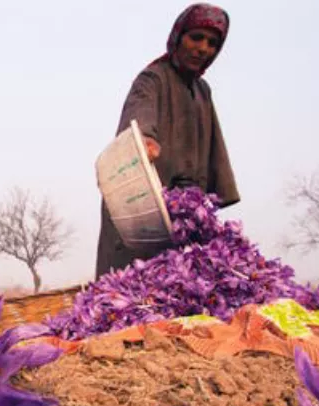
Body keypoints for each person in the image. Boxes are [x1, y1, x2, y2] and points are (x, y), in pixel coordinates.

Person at [96, 3, 241, 279]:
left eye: (212, 43)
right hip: (143, 208)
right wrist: (145, 141)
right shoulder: (152, 78)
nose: (202, 48)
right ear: (178, 37)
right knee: (131, 289)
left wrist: (203, 204)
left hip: (185, 212)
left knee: (184, 289)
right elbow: (139, 115)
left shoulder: (202, 90)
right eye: (196, 37)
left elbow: (214, 150)